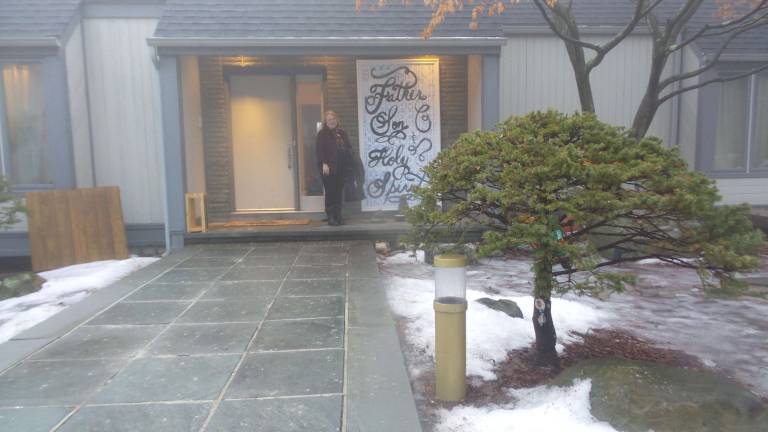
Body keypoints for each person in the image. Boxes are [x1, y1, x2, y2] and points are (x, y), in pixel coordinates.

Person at [316, 110, 352, 226]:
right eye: (329, 120)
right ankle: (331, 216)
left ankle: (338, 215)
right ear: (326, 122)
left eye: (333, 119)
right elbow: (319, 150)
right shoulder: (322, 134)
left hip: (341, 168)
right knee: (331, 192)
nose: (332, 121)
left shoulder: (342, 133)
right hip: (329, 168)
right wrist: (323, 163)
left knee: (339, 192)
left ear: (337, 120)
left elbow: (349, 148)